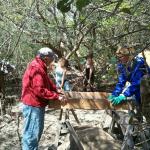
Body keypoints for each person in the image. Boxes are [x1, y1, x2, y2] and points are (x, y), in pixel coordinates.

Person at [21, 47, 66, 150]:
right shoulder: (36, 67)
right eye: (52, 58)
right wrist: (57, 96)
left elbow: (47, 82)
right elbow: (39, 90)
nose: (52, 61)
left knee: (36, 133)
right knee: (31, 136)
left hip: (37, 105)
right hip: (33, 105)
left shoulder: (41, 66)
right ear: (46, 58)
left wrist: (56, 89)